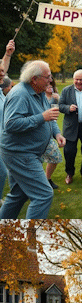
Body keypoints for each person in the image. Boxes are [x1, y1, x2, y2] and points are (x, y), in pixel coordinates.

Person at [0, 60, 65, 219]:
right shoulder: (20, 94)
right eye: (47, 76)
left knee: (18, 195)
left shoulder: (40, 91)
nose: (50, 80)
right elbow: (11, 124)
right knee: (43, 194)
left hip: (29, 152)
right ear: (34, 79)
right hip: (20, 154)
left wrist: (57, 134)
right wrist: (41, 117)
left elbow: (49, 115)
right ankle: (31, 240)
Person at [41, 78, 64, 190]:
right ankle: (40, 183)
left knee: (56, 157)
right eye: (46, 82)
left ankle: (47, 179)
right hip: (34, 137)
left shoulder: (53, 97)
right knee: (37, 162)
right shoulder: (36, 97)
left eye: (50, 83)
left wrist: (58, 134)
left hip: (49, 133)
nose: (48, 85)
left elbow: (54, 117)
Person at [0, 40, 16, 202]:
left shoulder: (1, 91)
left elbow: (3, 68)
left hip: (3, 138)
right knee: (3, 171)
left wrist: (8, 54)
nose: (2, 73)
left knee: (4, 171)